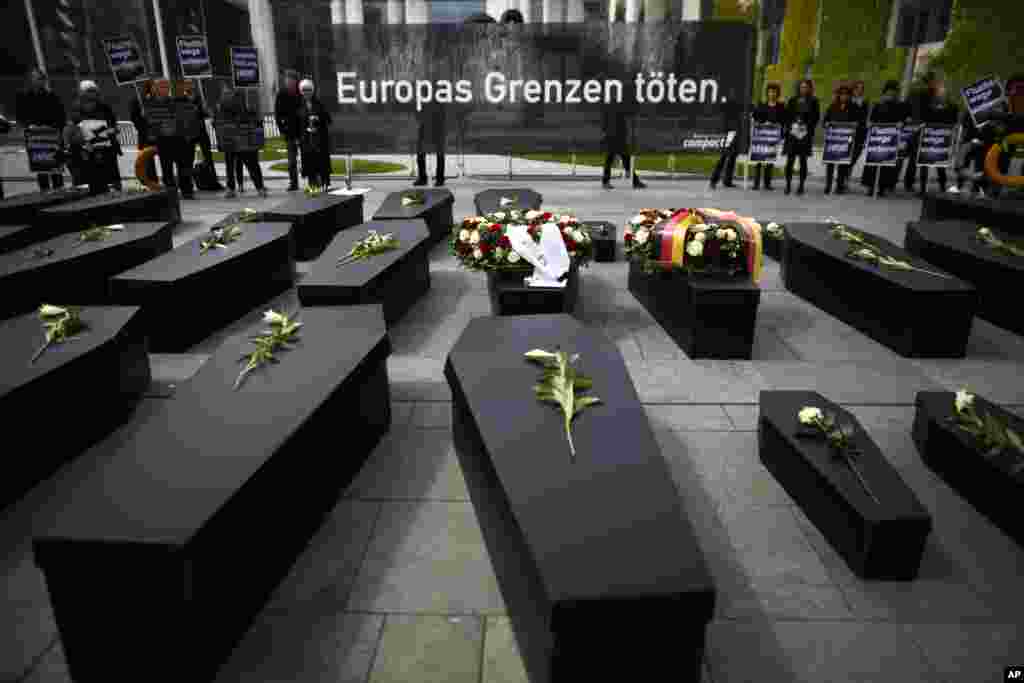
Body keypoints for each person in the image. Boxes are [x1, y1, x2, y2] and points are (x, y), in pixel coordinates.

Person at [16, 68, 67, 191]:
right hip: (34, 136)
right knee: (41, 170)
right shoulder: (24, 97)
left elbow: (61, 116)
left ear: (44, 81)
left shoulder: (51, 96)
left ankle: (59, 192)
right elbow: (20, 116)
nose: (37, 81)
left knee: (55, 170)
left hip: (51, 136)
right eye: (34, 79)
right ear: (30, 81)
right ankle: (44, 193)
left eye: (39, 79)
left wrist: (54, 128)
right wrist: (29, 126)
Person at [69, 80, 121, 194]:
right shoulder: (76, 109)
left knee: (111, 184)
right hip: (86, 153)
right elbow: (72, 131)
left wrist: (109, 131)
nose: (91, 95)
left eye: (93, 91)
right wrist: (82, 140)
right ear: (81, 93)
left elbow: (115, 127)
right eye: (88, 92)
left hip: (106, 152)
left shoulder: (105, 107)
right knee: (91, 187)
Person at [860, 80, 909, 197]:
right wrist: (870, 123)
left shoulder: (900, 106)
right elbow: (871, 119)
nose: (890, 94)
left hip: (891, 138)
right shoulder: (878, 104)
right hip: (877, 137)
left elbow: (904, 120)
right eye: (888, 92)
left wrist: (901, 123)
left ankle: (882, 187)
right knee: (873, 162)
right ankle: (871, 186)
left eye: (893, 92)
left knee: (887, 163)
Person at [218, 87, 267, 199]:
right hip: (236, 138)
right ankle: (257, 188)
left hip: (241, 138)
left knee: (247, 164)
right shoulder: (227, 105)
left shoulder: (233, 103)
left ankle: (255, 187)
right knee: (247, 164)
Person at [915, 76, 958, 196]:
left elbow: (954, 122)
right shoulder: (928, 105)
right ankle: (923, 189)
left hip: (942, 139)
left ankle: (943, 187)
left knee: (940, 165)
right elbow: (923, 117)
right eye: (939, 91)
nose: (940, 93)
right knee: (924, 163)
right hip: (928, 137)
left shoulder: (952, 107)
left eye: (942, 92)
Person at [783, 79, 820, 195]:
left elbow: (815, 117)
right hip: (792, 134)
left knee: (803, 161)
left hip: (805, 135)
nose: (803, 89)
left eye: (806, 87)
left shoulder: (814, 101)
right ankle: (788, 185)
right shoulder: (792, 100)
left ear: (809, 88)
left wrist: (805, 124)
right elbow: (787, 115)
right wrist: (793, 124)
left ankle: (801, 186)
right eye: (802, 87)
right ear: (798, 88)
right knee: (790, 160)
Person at [601, 101, 645, 189]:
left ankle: (606, 181)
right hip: (616, 139)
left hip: (614, 139)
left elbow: (605, 126)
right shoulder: (618, 111)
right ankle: (634, 181)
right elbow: (620, 125)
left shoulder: (610, 111)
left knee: (615, 161)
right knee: (622, 161)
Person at [823, 84, 858, 194]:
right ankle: (828, 185)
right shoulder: (833, 106)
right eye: (842, 94)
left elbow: (859, 122)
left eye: (846, 95)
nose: (844, 97)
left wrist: (855, 124)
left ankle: (839, 185)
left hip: (846, 140)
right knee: (830, 163)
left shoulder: (854, 107)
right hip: (833, 139)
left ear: (850, 96)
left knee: (843, 163)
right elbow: (824, 121)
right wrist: (827, 124)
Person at [751, 82, 786, 191]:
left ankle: (767, 183)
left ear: (777, 93)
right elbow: (755, 118)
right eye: (770, 91)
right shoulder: (762, 105)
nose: (772, 94)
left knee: (770, 160)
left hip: (773, 137)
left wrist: (779, 130)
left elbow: (784, 121)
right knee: (759, 160)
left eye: (774, 92)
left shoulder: (781, 107)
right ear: (767, 93)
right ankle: (756, 183)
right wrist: (762, 123)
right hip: (761, 137)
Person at [298, 79, 332, 189]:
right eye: (304, 90)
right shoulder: (299, 105)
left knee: (321, 161)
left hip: (319, 138)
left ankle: (324, 182)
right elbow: (296, 122)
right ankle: (312, 183)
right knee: (309, 161)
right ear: (301, 91)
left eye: (308, 90)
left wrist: (318, 118)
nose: (306, 92)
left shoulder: (319, 103)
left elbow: (328, 119)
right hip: (306, 139)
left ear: (312, 90)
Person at [275, 70, 302, 191]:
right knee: (291, 161)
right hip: (289, 132)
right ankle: (293, 183)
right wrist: (282, 129)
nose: (288, 81)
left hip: (302, 130)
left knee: (308, 157)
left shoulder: (301, 92)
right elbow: (277, 113)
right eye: (287, 78)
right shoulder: (282, 94)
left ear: (296, 80)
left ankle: (314, 180)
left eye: (291, 79)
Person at [710, 97, 743, 189]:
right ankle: (714, 180)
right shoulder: (729, 99)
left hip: (735, 128)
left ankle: (727, 180)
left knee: (732, 156)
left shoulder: (739, 96)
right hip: (729, 129)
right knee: (725, 155)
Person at [415, 100, 446, 187]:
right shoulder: (426, 95)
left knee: (439, 152)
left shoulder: (436, 95)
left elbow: (443, 111)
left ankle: (438, 178)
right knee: (421, 152)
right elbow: (418, 112)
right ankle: (424, 178)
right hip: (427, 123)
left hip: (437, 123)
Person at [850, 80, 870, 168]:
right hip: (849, 131)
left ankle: (849, 168)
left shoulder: (865, 101)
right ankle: (844, 172)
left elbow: (864, 115)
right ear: (853, 89)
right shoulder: (849, 100)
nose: (859, 90)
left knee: (857, 152)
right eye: (857, 88)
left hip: (861, 131)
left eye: (862, 89)